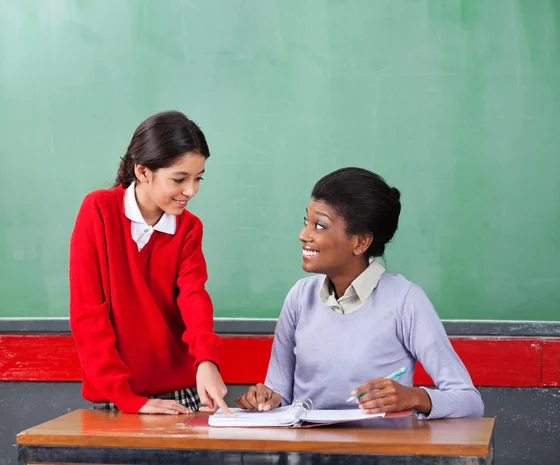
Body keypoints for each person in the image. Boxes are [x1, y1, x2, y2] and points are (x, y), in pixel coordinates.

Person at [235, 168, 483, 419]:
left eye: (319, 225)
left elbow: (469, 400)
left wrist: (414, 397)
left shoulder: (405, 300)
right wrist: (266, 399)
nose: (303, 235)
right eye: (305, 222)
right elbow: (280, 394)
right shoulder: (300, 297)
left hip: (378, 454)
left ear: (361, 242)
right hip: (307, 453)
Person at [70, 111, 230, 415]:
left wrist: (206, 361)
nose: (191, 191)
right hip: (117, 395)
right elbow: (87, 313)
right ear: (143, 172)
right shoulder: (99, 212)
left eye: (198, 178)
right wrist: (128, 398)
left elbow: (194, 296)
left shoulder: (188, 228)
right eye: (180, 179)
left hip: (182, 394)